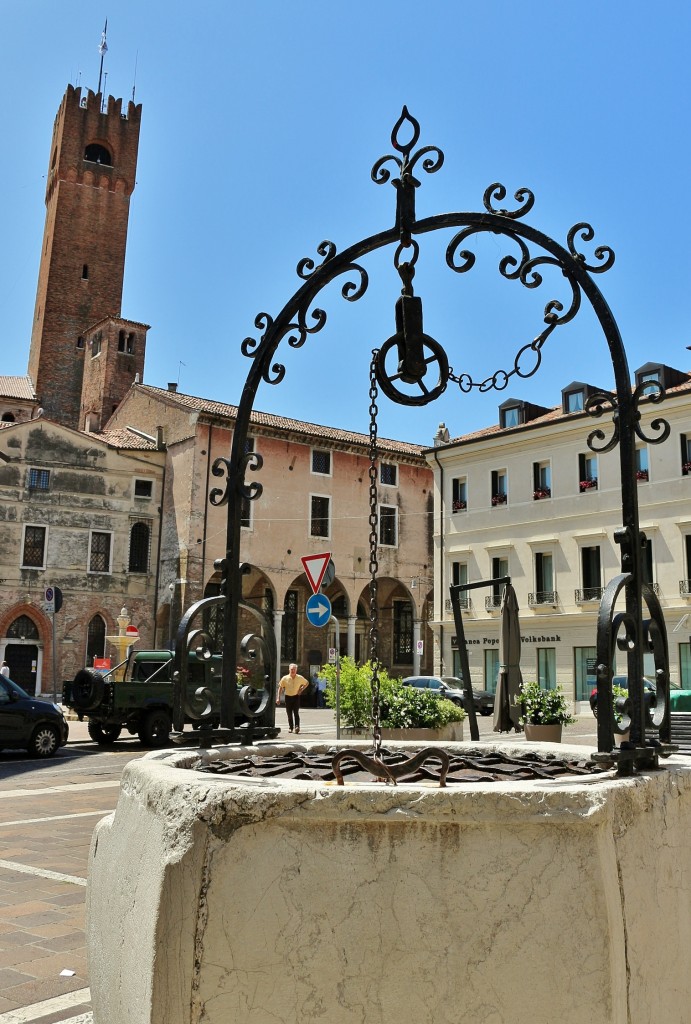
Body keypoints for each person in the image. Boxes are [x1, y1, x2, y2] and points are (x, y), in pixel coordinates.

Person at [277, 663, 309, 734]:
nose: (293, 671)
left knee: (296, 712)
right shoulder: (285, 678)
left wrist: (301, 689)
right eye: (291, 669)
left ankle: (297, 727)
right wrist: (278, 698)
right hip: (288, 697)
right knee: (289, 714)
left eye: (294, 669)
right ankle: (291, 727)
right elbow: (280, 687)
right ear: (289, 670)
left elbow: (306, 683)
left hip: (296, 697)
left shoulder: (300, 678)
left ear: (296, 670)